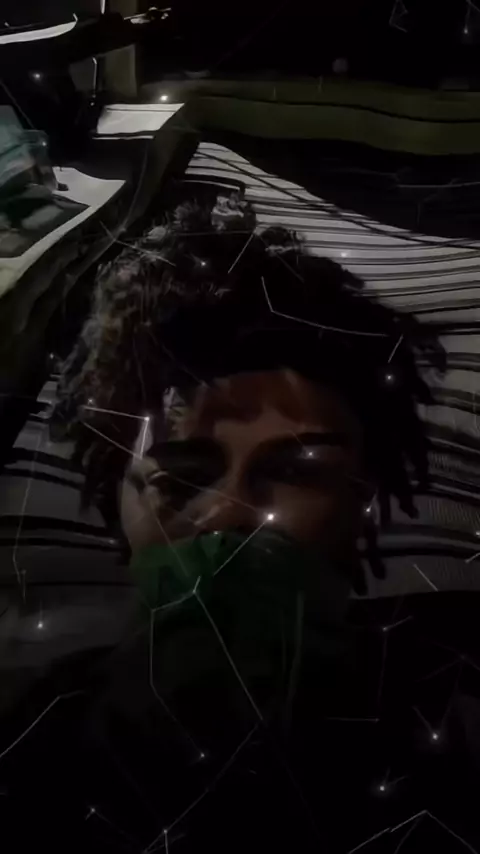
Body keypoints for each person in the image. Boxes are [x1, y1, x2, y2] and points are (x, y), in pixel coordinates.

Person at [6, 192, 480, 854]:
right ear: (119, 506)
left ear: (364, 500)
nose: (229, 511)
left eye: (298, 472)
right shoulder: (29, 737)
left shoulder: (457, 703)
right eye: (180, 478)